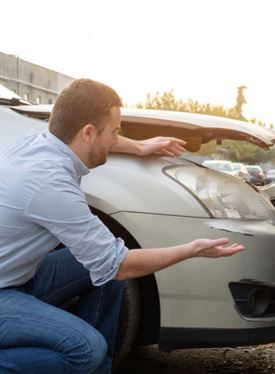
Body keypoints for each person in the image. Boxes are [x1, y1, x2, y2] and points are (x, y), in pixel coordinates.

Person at [0, 78, 245, 373]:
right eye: (114, 131)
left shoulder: (40, 142)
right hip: (5, 293)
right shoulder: (50, 184)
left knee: (102, 273)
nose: (116, 138)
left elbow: (109, 268)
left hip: (17, 279)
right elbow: (120, 265)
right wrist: (191, 249)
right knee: (85, 350)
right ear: (88, 133)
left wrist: (141, 147)